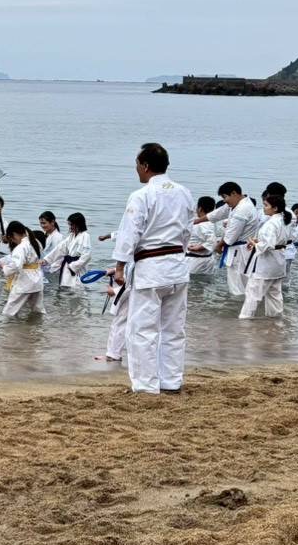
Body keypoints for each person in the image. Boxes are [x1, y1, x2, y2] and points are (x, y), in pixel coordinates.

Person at [111, 142, 195, 394]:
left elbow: (129, 233)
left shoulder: (142, 195)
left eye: (137, 165)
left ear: (145, 166)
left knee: (142, 330)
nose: (136, 169)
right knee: (173, 329)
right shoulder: (184, 192)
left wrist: (119, 266)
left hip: (151, 268)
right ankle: (171, 381)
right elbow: (187, 230)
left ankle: (146, 386)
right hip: (178, 266)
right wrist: (179, 253)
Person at [201, 182, 260, 297]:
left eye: (225, 197)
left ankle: (237, 306)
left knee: (237, 286)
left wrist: (219, 246)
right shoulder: (239, 204)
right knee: (243, 283)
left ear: (234, 193)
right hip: (243, 249)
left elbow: (231, 236)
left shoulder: (242, 209)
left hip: (240, 251)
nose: (224, 201)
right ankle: (242, 305)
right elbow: (217, 214)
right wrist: (196, 221)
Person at [239, 192, 289, 319]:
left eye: (266, 205)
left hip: (267, 265)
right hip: (278, 262)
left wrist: (255, 244)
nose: (264, 208)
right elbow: (276, 241)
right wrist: (258, 242)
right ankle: (276, 320)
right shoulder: (282, 221)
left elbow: (269, 244)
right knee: (274, 294)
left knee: (253, 294)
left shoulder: (272, 223)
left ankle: (245, 319)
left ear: (275, 208)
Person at [0, 221, 46, 318]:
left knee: (9, 311)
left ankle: (6, 327)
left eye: (11, 238)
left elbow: (16, 265)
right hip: (37, 280)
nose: (13, 241)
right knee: (38, 310)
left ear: (14, 234)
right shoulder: (36, 242)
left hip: (25, 282)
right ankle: (40, 326)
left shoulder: (21, 247)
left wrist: (4, 267)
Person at [57, 213, 93, 289]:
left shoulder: (85, 236)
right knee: (65, 289)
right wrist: (46, 260)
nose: (70, 227)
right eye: (69, 225)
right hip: (68, 266)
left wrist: (73, 266)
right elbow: (60, 249)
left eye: (72, 225)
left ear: (79, 224)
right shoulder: (71, 236)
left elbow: (87, 256)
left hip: (76, 267)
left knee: (77, 289)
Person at [187, 196, 219, 276]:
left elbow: (212, 241)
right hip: (208, 259)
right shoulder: (213, 222)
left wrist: (199, 247)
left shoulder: (202, 224)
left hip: (195, 261)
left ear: (200, 209)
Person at [38, 212, 66, 290]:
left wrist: (51, 271)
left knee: (50, 290)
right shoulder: (44, 235)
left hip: (53, 271)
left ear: (52, 222)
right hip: (44, 268)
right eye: (41, 223)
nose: (42, 225)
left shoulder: (58, 237)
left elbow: (60, 257)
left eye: (44, 223)